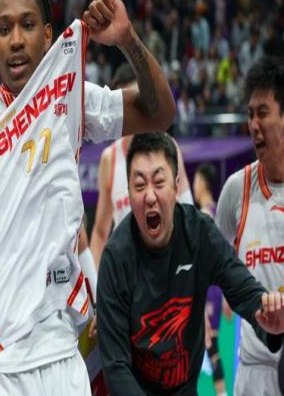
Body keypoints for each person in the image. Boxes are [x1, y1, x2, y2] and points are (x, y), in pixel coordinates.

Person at [0, 0, 175, 395]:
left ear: (49, 35)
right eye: (4, 29)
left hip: (62, 351)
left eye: (28, 25)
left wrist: (127, 39)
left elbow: (160, 112)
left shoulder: (72, 100)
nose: (16, 39)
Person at [97, 132, 284, 395]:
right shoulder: (115, 258)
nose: (149, 196)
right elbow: (116, 367)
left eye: (159, 182)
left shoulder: (199, 233)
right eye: (139, 186)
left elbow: (241, 287)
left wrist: (265, 316)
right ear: (128, 192)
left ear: (176, 187)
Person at [216, 55, 284, 395]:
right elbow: (214, 262)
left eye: (263, 113)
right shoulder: (236, 190)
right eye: (250, 114)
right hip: (254, 371)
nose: (254, 124)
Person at [90, 65, 193, 270]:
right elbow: (101, 232)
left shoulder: (169, 148)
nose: (133, 111)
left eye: (137, 103)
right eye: (126, 105)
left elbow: (188, 214)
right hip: (127, 275)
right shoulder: (110, 159)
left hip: (165, 270)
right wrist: (94, 282)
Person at [193, 162, 229, 396]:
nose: (194, 186)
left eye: (196, 180)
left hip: (206, 288)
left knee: (208, 343)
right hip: (216, 287)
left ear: (203, 183)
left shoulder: (204, 216)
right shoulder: (219, 212)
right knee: (210, 344)